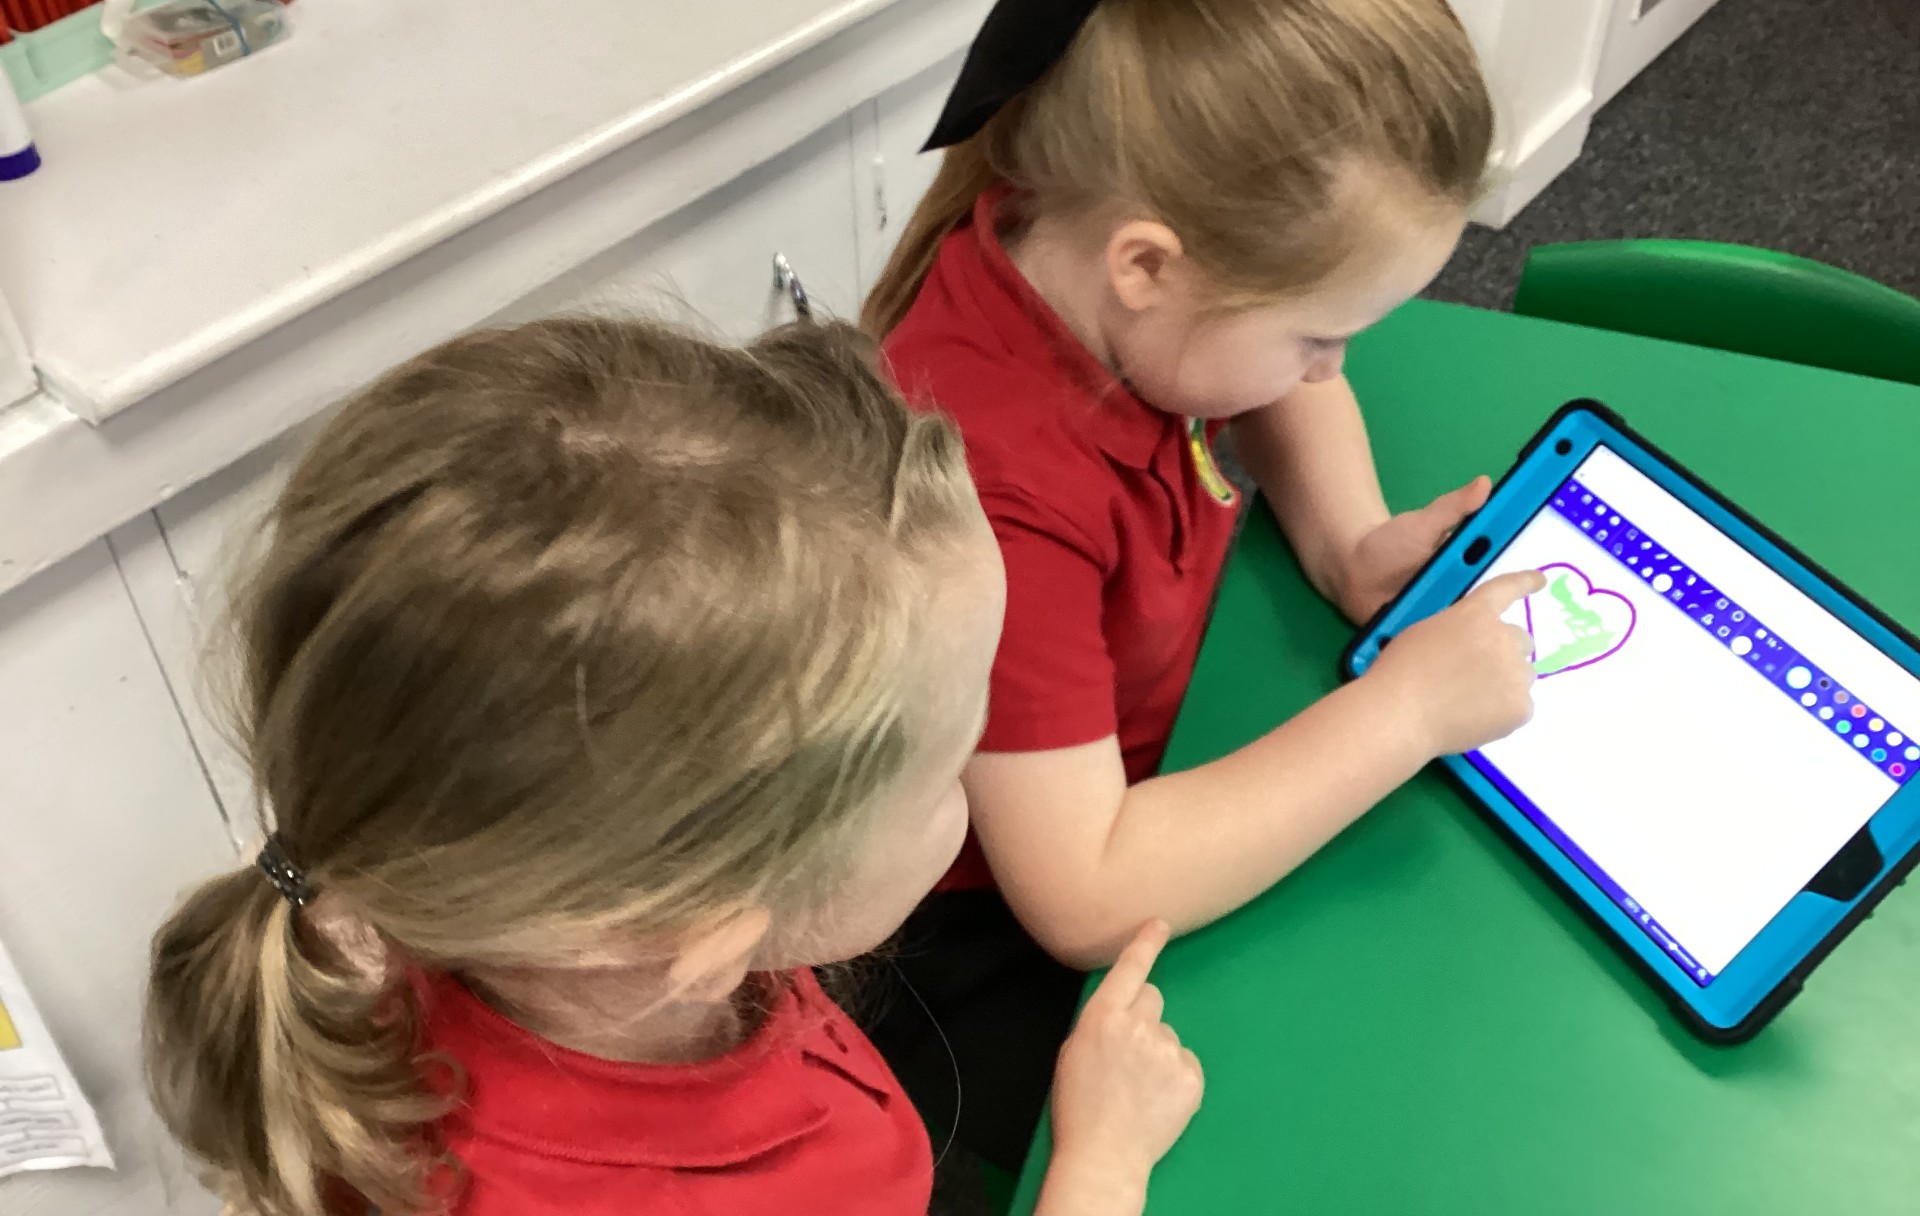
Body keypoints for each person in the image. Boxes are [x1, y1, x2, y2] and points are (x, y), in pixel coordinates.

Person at [143, 317, 1202, 1216]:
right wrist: (1102, 1161)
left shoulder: (435, 895)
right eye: (949, 768)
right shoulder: (796, 1186)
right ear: (704, 929)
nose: (973, 780)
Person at [860, 0, 1545, 1171]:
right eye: (1319, 334)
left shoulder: (1098, 276)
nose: (1331, 371)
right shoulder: (997, 502)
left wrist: (1351, 541)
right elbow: (1084, 894)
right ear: (1150, 266)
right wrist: (1405, 712)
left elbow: (1266, 380)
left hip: (1116, 775)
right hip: (969, 928)